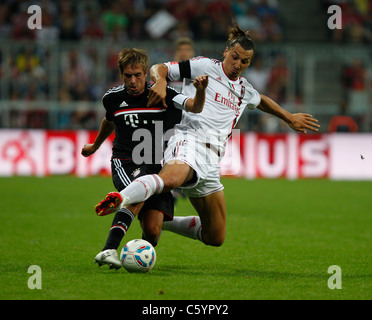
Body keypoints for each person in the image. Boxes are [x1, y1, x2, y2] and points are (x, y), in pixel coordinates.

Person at [96, 22, 320, 248]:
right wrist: (161, 81)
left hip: (212, 162)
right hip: (188, 140)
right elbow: (159, 67)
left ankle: (161, 221)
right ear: (226, 52)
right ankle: (122, 199)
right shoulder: (204, 66)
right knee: (170, 180)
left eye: (245, 61)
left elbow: (261, 100)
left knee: (215, 236)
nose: (238, 64)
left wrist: (288, 117)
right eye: (235, 57)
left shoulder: (244, 89)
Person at [82, 48, 208, 268]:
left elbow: (195, 107)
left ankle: (138, 252)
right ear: (121, 75)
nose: (133, 81)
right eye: (128, 75)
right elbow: (109, 121)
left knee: (153, 230)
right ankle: (108, 249)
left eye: (138, 75)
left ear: (145, 73)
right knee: (136, 197)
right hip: (126, 161)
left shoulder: (163, 93)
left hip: (156, 166)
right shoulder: (112, 98)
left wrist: (201, 91)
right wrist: (95, 145)